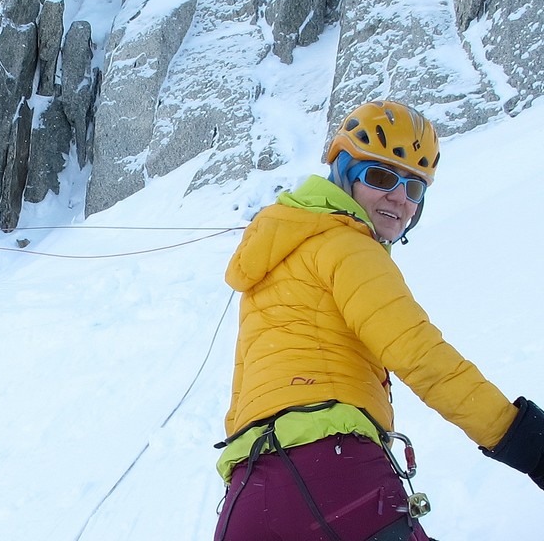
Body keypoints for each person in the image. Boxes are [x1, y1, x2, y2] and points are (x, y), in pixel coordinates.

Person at [212, 100, 544, 541]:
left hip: (248, 495)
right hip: (330, 473)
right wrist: (530, 444)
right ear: (345, 174)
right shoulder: (347, 245)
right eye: (382, 177)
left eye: (415, 188)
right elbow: (422, 357)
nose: (400, 198)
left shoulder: (280, 255)